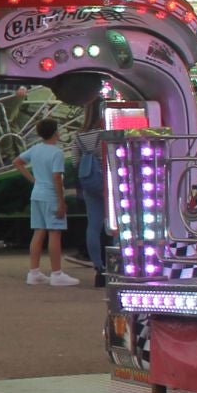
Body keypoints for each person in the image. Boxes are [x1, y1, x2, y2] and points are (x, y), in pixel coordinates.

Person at [16, 117, 78, 287]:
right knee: (54, 233)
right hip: (51, 195)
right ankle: (57, 273)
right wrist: (61, 201)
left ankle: (34, 272)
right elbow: (57, 177)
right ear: (56, 133)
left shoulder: (35, 149)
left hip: (37, 194)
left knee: (38, 232)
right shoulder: (56, 153)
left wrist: (33, 180)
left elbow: (18, 162)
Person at [75, 100, 109, 286]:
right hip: (108, 182)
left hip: (89, 184)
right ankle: (116, 263)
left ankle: (98, 268)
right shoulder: (105, 133)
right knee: (116, 224)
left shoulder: (80, 135)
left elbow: (75, 162)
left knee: (93, 226)